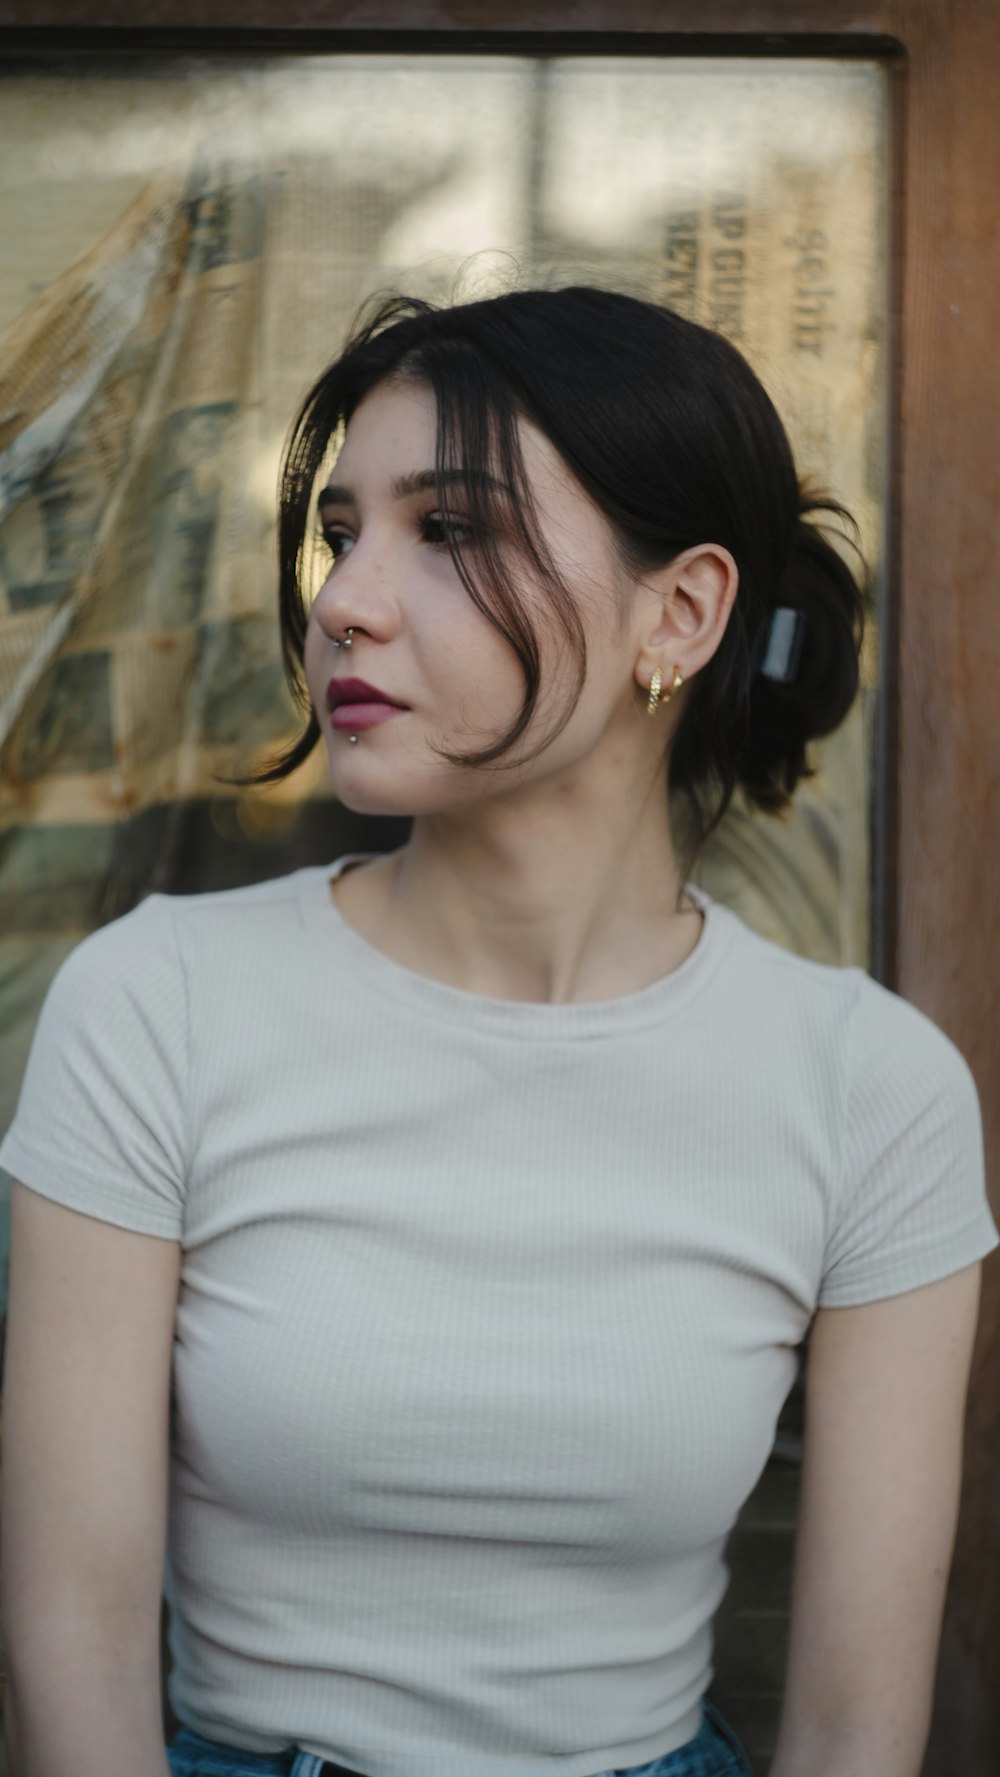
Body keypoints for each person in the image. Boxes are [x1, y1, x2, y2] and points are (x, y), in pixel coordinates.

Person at [2, 285, 997, 1777]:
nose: (343, 596)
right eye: (343, 529)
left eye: (450, 528)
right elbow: (69, 1651)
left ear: (683, 611)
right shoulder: (154, 1006)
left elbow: (859, 1725)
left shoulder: (873, 1091)